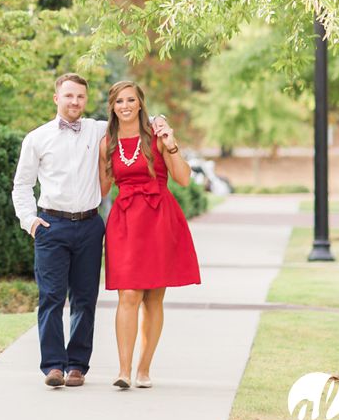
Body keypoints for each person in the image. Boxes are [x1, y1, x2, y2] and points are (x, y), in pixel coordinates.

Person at [99, 80, 201, 390]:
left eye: (131, 100)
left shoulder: (156, 137)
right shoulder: (108, 143)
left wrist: (171, 143)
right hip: (125, 221)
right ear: (112, 107)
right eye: (119, 101)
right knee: (128, 294)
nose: (125, 106)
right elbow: (101, 188)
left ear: (141, 104)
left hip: (158, 218)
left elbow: (183, 179)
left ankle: (144, 368)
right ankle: (123, 371)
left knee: (154, 298)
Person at [11, 73, 106, 388]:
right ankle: (53, 366)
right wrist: (30, 221)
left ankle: (77, 365)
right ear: (57, 98)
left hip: (90, 225)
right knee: (51, 296)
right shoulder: (37, 138)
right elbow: (22, 184)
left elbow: (134, 125)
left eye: (80, 96)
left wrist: (159, 122)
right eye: (69, 96)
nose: (75, 102)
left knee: (85, 298)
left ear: (85, 100)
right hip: (52, 226)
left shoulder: (99, 130)